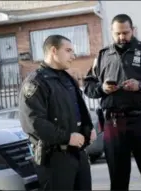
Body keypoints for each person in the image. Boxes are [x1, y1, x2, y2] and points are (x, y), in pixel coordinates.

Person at [84, 14, 141, 190]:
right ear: (111, 32)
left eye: (125, 32)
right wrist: (103, 88)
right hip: (114, 123)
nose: (122, 37)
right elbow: (88, 85)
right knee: (117, 178)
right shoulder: (103, 56)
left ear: (133, 30)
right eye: (118, 33)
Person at [19, 35, 96, 190]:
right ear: (54, 50)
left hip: (78, 154)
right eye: (68, 51)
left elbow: (78, 110)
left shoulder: (67, 79)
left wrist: (89, 130)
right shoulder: (36, 82)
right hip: (55, 159)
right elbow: (34, 123)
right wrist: (67, 138)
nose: (73, 56)